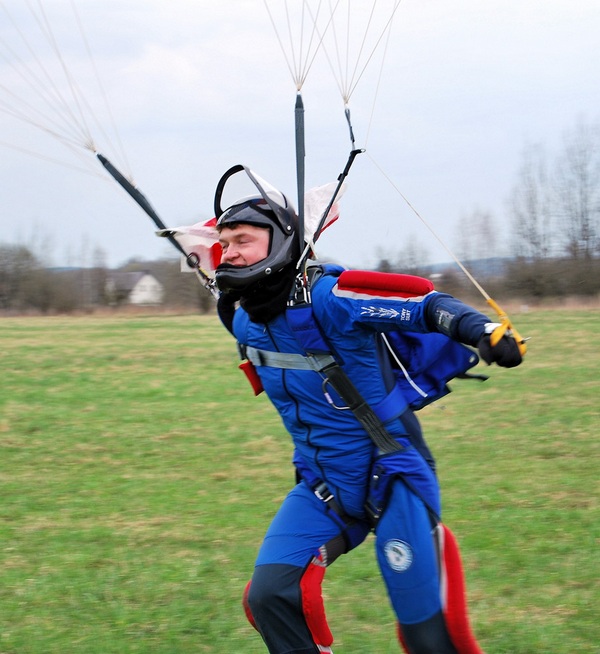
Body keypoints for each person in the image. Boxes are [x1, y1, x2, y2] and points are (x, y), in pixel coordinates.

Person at [212, 170, 523, 654]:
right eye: (224, 243)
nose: (228, 253)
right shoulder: (242, 316)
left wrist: (482, 331)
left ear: (280, 243)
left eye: (242, 241)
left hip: (392, 474)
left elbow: (421, 303)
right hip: (323, 485)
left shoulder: (330, 297)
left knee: (427, 635)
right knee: (270, 597)